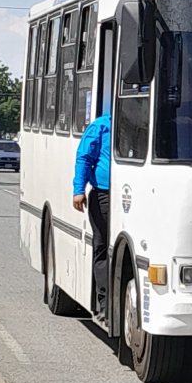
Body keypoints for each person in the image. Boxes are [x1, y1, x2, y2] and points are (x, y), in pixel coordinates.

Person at [73, 113, 111, 325]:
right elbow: (84, 158)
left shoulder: (147, 121)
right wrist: (79, 190)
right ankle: (104, 305)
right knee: (103, 247)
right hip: (103, 195)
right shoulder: (101, 126)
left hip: (132, 194)